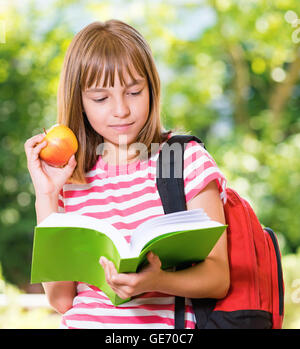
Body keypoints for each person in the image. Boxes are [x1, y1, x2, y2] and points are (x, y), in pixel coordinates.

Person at [24, 19, 229, 329]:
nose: (120, 110)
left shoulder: (183, 160)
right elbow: (61, 300)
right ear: (79, 101)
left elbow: (218, 278)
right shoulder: (71, 175)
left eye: (134, 92)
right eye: (101, 99)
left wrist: (157, 281)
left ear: (151, 88)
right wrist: (47, 196)